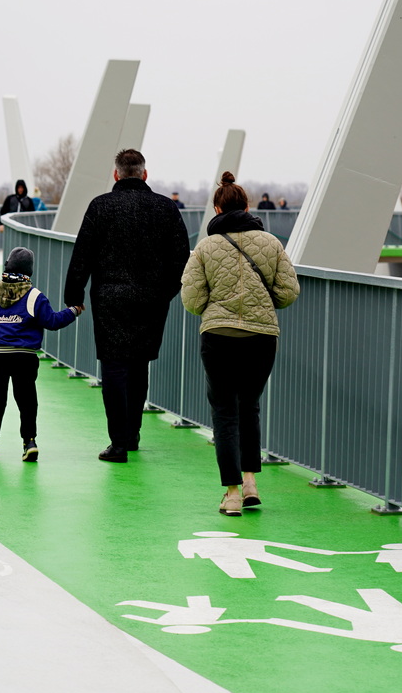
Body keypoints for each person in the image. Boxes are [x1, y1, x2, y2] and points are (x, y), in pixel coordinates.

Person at [181, 172, 300, 516]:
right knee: (249, 406)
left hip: (218, 335)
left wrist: (217, 306)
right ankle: (250, 483)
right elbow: (288, 292)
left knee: (224, 411)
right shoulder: (272, 243)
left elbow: (191, 300)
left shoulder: (205, 248)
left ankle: (231, 494)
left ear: (217, 208)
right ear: (247, 207)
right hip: (261, 337)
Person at [64, 149, 191, 463]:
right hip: (151, 300)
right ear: (144, 174)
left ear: (116, 174)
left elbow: (82, 255)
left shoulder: (100, 206)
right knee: (139, 366)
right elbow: (181, 259)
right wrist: (165, 293)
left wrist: (74, 296)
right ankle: (132, 434)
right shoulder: (166, 208)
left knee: (114, 367)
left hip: (109, 299)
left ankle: (118, 443)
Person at [0, 247, 83, 461]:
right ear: (29, 270)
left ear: (7, 265)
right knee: (26, 400)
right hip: (23, 356)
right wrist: (73, 311)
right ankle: (29, 442)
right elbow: (52, 322)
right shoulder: (34, 296)